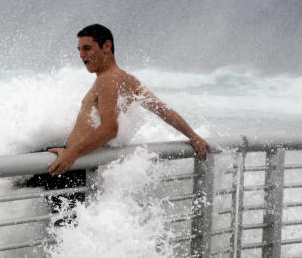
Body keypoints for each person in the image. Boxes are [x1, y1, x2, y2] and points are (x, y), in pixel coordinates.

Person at [47, 23, 210, 175]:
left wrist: (72, 154)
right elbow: (162, 110)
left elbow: (110, 129)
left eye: (87, 48)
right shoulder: (127, 79)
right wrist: (193, 136)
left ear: (106, 46)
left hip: (73, 164)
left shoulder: (106, 79)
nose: (81, 55)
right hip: (83, 163)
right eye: (80, 49)